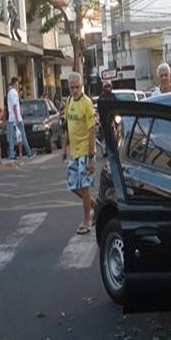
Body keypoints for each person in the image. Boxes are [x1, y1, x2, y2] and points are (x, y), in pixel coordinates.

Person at [61, 72, 96, 234]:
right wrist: (64, 149)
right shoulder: (68, 101)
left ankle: (87, 221)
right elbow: (68, 125)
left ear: (82, 86)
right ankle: (95, 205)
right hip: (74, 153)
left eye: (77, 87)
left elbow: (92, 130)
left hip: (84, 152)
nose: (75, 90)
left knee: (84, 186)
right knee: (73, 186)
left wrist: (90, 158)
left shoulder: (86, 103)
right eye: (72, 87)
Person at [6, 77, 34, 162]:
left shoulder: (9, 93)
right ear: (15, 84)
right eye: (18, 84)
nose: (18, 86)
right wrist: (17, 118)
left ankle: (12, 154)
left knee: (11, 137)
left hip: (11, 118)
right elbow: (15, 106)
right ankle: (29, 152)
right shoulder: (14, 93)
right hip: (16, 117)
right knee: (23, 135)